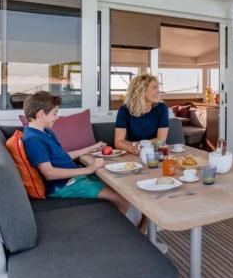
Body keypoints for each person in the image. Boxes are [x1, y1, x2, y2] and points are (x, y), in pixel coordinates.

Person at [22, 91, 143, 228]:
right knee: (121, 199)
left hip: (73, 179)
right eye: (54, 113)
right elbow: (49, 173)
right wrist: (89, 169)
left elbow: (62, 158)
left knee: (122, 188)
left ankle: (136, 228)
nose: (57, 117)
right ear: (41, 114)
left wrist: (91, 148)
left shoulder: (46, 132)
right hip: (63, 186)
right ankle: (121, 235)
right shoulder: (33, 139)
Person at [114, 74, 169, 155]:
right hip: (133, 153)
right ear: (141, 91)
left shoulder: (161, 108)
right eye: (154, 88)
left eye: (158, 87)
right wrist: (132, 149)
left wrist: (134, 144)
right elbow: (118, 142)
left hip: (155, 152)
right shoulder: (124, 110)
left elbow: (161, 140)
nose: (158, 91)